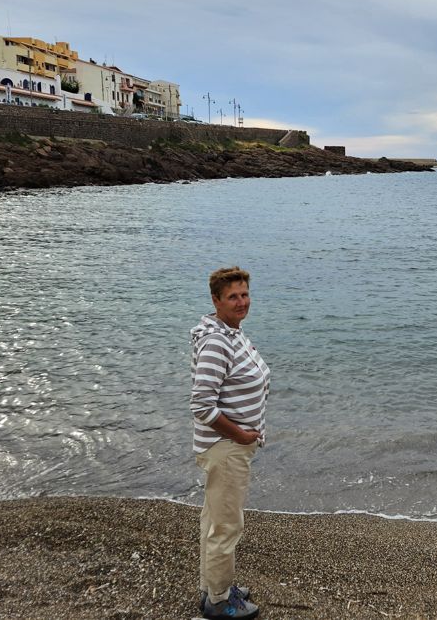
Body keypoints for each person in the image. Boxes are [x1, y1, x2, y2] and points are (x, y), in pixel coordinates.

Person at [190, 266, 270, 620]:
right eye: (232, 296)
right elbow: (201, 405)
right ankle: (220, 602)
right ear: (216, 300)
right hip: (226, 448)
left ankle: (212, 588)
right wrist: (241, 435)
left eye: (245, 294)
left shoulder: (232, 333)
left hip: (230, 446)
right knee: (226, 526)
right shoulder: (217, 342)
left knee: (214, 521)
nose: (241, 302)